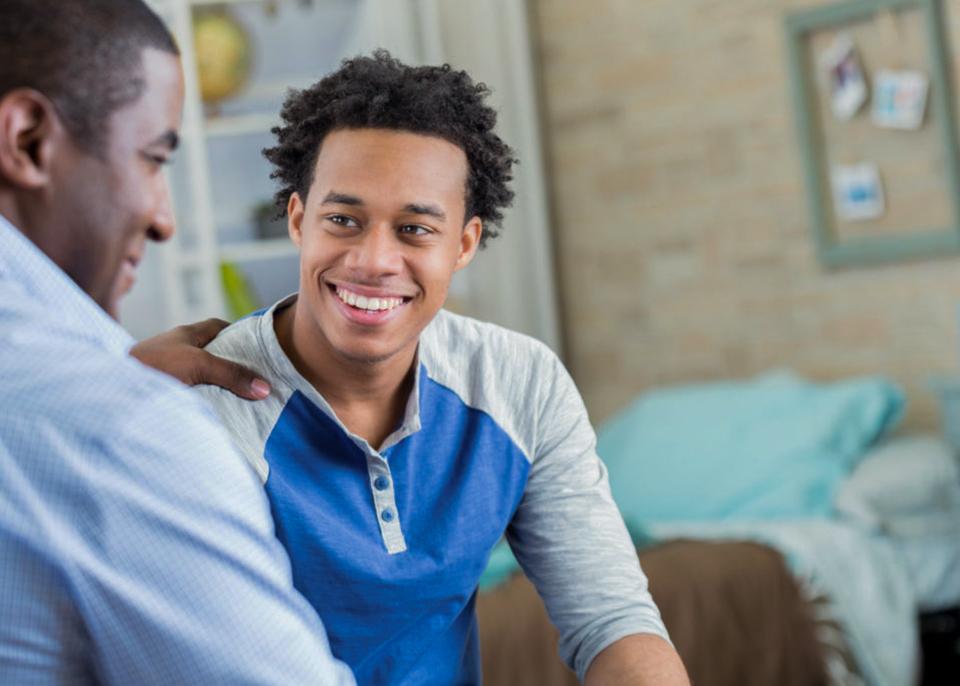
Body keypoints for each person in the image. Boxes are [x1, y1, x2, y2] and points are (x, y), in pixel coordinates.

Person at [189, 51, 691, 685]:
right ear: (298, 219)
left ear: (463, 244)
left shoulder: (519, 384)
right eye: (343, 220)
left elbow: (614, 622)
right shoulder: (207, 408)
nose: (374, 260)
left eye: (415, 229)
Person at [0, 1, 354, 683]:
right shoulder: (123, 429)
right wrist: (127, 414)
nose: (164, 220)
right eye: (152, 158)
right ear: (27, 140)